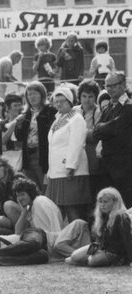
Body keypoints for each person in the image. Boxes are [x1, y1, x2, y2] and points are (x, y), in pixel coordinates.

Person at [44, 87, 91, 222]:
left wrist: (70, 166)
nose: (58, 104)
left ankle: (81, 240)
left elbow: (76, 144)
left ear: (70, 101)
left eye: (62, 101)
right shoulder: (57, 119)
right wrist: (50, 170)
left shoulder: (76, 118)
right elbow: (53, 147)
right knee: (57, 212)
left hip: (71, 172)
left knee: (73, 211)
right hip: (56, 173)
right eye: (56, 101)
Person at [92, 73, 132, 206]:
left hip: (124, 164)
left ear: (123, 85)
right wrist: (105, 128)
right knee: (108, 204)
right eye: (106, 85)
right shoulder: (109, 106)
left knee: (126, 203)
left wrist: (103, 127)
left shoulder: (129, 106)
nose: (109, 89)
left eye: (113, 85)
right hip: (107, 163)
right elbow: (95, 132)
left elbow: (115, 128)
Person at [65, 187, 132, 267]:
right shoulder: (100, 216)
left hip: (114, 252)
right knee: (73, 257)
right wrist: (94, 250)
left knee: (92, 261)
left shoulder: (121, 216)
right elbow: (96, 240)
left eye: (106, 202)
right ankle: (87, 259)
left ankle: (92, 260)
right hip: (100, 247)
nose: (102, 205)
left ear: (115, 202)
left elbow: (128, 239)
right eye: (100, 202)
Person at [9, 81, 55, 190]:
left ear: (42, 94)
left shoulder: (50, 111)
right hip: (28, 156)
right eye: (29, 94)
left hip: (43, 155)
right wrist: (18, 126)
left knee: (45, 188)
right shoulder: (26, 114)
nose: (32, 97)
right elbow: (20, 137)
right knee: (32, 188)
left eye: (35, 93)